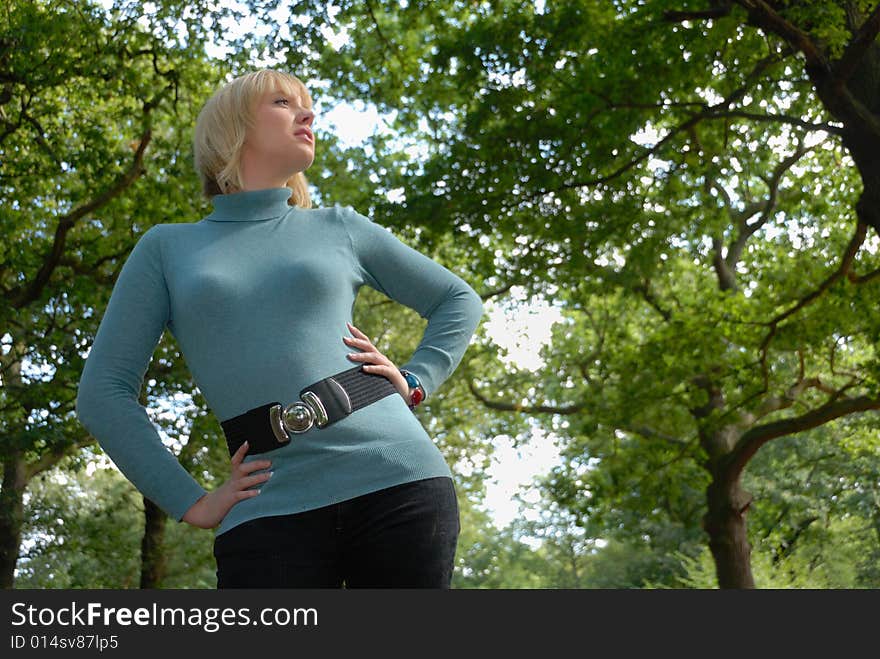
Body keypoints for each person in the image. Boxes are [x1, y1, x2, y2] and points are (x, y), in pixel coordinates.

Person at [75, 69, 484, 588]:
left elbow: (457, 298)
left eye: (308, 105)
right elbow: (102, 394)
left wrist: (417, 378)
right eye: (283, 103)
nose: (308, 114)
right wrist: (191, 501)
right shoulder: (165, 249)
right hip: (266, 509)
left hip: (397, 480)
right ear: (233, 127)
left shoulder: (339, 227)